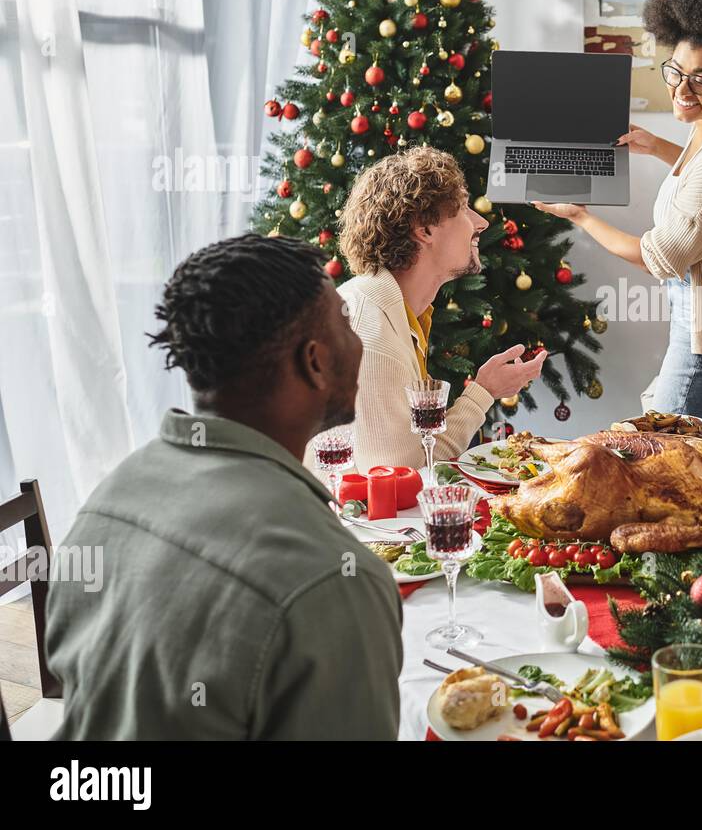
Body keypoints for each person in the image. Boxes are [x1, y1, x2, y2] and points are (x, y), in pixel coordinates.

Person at [46, 234, 404, 739]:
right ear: (315, 361)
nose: (358, 337)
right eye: (346, 319)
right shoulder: (333, 583)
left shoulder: (105, 503)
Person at [533, 0, 702, 436]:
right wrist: (659, 147)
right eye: (675, 71)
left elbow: (660, 259)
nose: (682, 90)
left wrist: (582, 216)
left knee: (657, 450)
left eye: (701, 80)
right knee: (694, 461)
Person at [336, 146, 545, 472]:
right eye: (462, 209)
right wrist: (482, 393)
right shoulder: (372, 332)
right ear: (425, 229)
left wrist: (485, 390)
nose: (480, 223)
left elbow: (418, 450)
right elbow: (403, 473)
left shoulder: (399, 313)